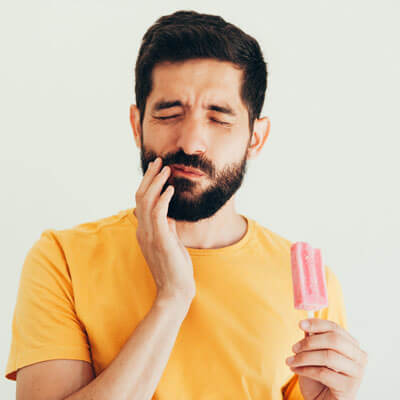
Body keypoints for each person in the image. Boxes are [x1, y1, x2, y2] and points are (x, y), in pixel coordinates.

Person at [5, 10, 367, 400]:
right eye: (169, 113)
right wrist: (172, 298)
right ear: (136, 124)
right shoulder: (62, 259)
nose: (191, 142)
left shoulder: (313, 288)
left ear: (255, 139)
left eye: (219, 118)